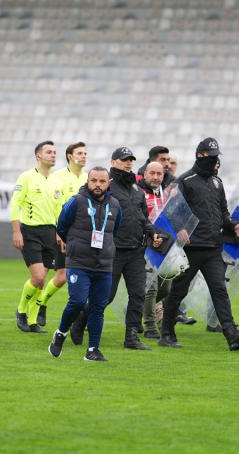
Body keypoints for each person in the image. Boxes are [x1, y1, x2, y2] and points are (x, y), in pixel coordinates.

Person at [160, 137, 239, 351]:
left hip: (213, 246)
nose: (216, 162)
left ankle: (231, 334)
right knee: (179, 291)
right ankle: (166, 332)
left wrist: (234, 225)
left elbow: (223, 212)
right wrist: (179, 228)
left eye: (217, 158)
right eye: (212, 157)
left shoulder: (217, 182)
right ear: (200, 155)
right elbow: (170, 209)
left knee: (219, 290)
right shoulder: (184, 181)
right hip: (192, 247)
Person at [48, 167, 122, 361]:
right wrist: (74, 245)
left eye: (102, 181)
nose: (98, 185)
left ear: (108, 183)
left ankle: (92, 351)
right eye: (94, 181)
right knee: (79, 302)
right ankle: (61, 333)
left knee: (98, 308)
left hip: (104, 265)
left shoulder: (114, 204)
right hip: (79, 262)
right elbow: (62, 227)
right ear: (87, 181)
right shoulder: (76, 201)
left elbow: (114, 231)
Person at [98, 147, 163, 351]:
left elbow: (142, 216)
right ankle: (81, 321)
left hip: (136, 250)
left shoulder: (136, 188)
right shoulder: (106, 184)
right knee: (106, 295)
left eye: (131, 160)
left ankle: (131, 337)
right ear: (113, 162)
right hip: (114, 250)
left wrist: (151, 231)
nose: (128, 163)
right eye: (124, 159)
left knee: (138, 294)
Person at [33, 141, 88, 327]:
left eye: (85, 153)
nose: (84, 156)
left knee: (80, 275)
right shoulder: (58, 177)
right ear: (70, 156)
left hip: (83, 237)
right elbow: (56, 207)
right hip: (62, 233)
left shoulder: (89, 178)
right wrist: (59, 232)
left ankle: (76, 316)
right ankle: (39, 305)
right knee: (58, 275)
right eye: (80, 153)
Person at [11, 140, 64, 333]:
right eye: (49, 152)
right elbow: (14, 204)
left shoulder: (57, 181)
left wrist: (60, 233)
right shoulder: (26, 177)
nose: (53, 155)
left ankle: (32, 322)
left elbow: (60, 210)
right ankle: (21, 310)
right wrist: (17, 231)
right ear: (38, 156)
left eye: (55, 152)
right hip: (30, 231)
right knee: (38, 276)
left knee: (42, 281)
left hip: (50, 233)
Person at [137, 162, 171, 339]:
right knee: (150, 286)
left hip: (163, 246)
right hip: (144, 246)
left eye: (159, 173)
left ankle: (137, 305)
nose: (156, 176)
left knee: (165, 287)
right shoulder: (138, 192)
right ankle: (150, 326)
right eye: (152, 173)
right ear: (144, 174)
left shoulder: (165, 194)